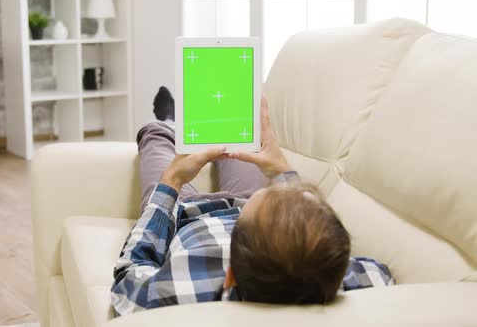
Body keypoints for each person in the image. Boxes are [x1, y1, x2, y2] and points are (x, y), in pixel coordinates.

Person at [111, 87, 393, 316]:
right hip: (244, 203)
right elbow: (380, 273)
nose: (270, 186)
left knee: (156, 135)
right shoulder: (336, 274)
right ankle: (193, 120)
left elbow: (128, 281)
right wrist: (280, 169)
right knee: (238, 143)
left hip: (183, 214)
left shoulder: (182, 285)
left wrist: (171, 180)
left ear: (230, 276)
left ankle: (169, 119)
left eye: (267, 191)